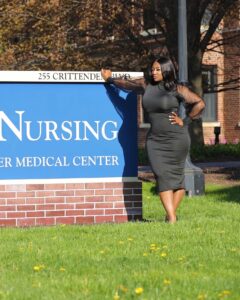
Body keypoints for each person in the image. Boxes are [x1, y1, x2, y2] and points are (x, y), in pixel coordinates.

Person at [101, 56, 205, 223]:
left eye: (158, 69)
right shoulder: (146, 84)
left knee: (177, 179)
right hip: (155, 140)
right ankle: (172, 217)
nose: (154, 72)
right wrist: (110, 79)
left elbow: (199, 103)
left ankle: (170, 217)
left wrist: (185, 121)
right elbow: (126, 84)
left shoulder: (177, 89)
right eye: (153, 69)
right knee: (161, 175)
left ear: (167, 70)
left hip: (177, 138)